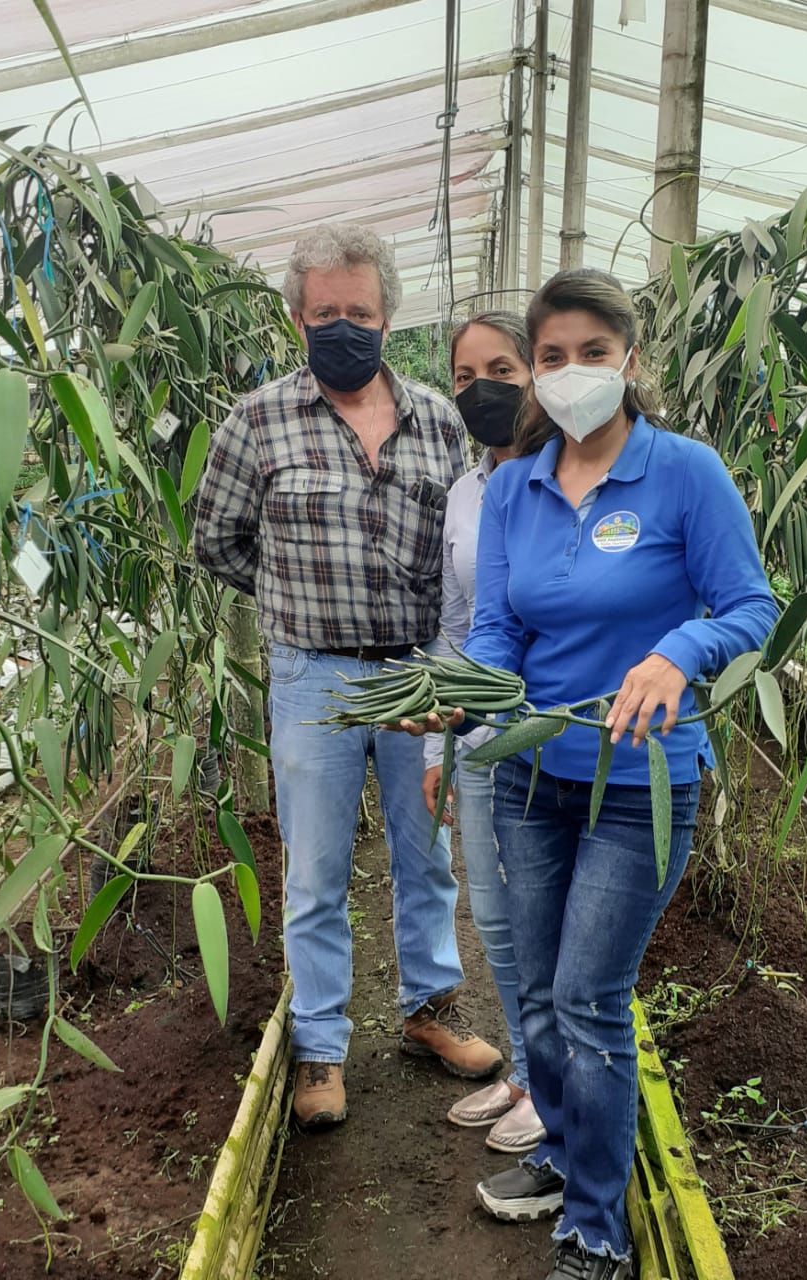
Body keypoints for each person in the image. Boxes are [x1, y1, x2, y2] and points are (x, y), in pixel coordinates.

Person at [412, 269, 778, 1280]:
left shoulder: (684, 473)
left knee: (586, 997)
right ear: (534, 370)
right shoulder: (515, 487)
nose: (572, 372)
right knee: (534, 995)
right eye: (553, 355)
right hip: (533, 778)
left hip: (639, 783)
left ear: (630, 358)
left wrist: (678, 653)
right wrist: (459, 695)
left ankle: (597, 1228)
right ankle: (568, 1156)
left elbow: (751, 605)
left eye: (593, 352)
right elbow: (499, 631)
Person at [194, 222, 502, 1130]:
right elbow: (218, 539)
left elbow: (463, 539)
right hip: (314, 678)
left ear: (386, 318)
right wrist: (297, 599)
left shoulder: (438, 421)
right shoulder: (257, 421)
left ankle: (430, 1009)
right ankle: (321, 1046)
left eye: (359, 313)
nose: (343, 327)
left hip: (418, 671)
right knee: (317, 868)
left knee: (427, 853)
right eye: (325, 312)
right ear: (298, 319)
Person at [422, 313, 544, 1154]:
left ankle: (557, 1082)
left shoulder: (570, 473)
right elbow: (455, 625)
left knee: (544, 916)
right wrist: (439, 743)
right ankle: (528, 1074)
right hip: (478, 737)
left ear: (535, 372)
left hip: (557, 736)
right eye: (465, 377)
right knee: (494, 916)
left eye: (501, 368)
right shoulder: (465, 494)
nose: (482, 389)